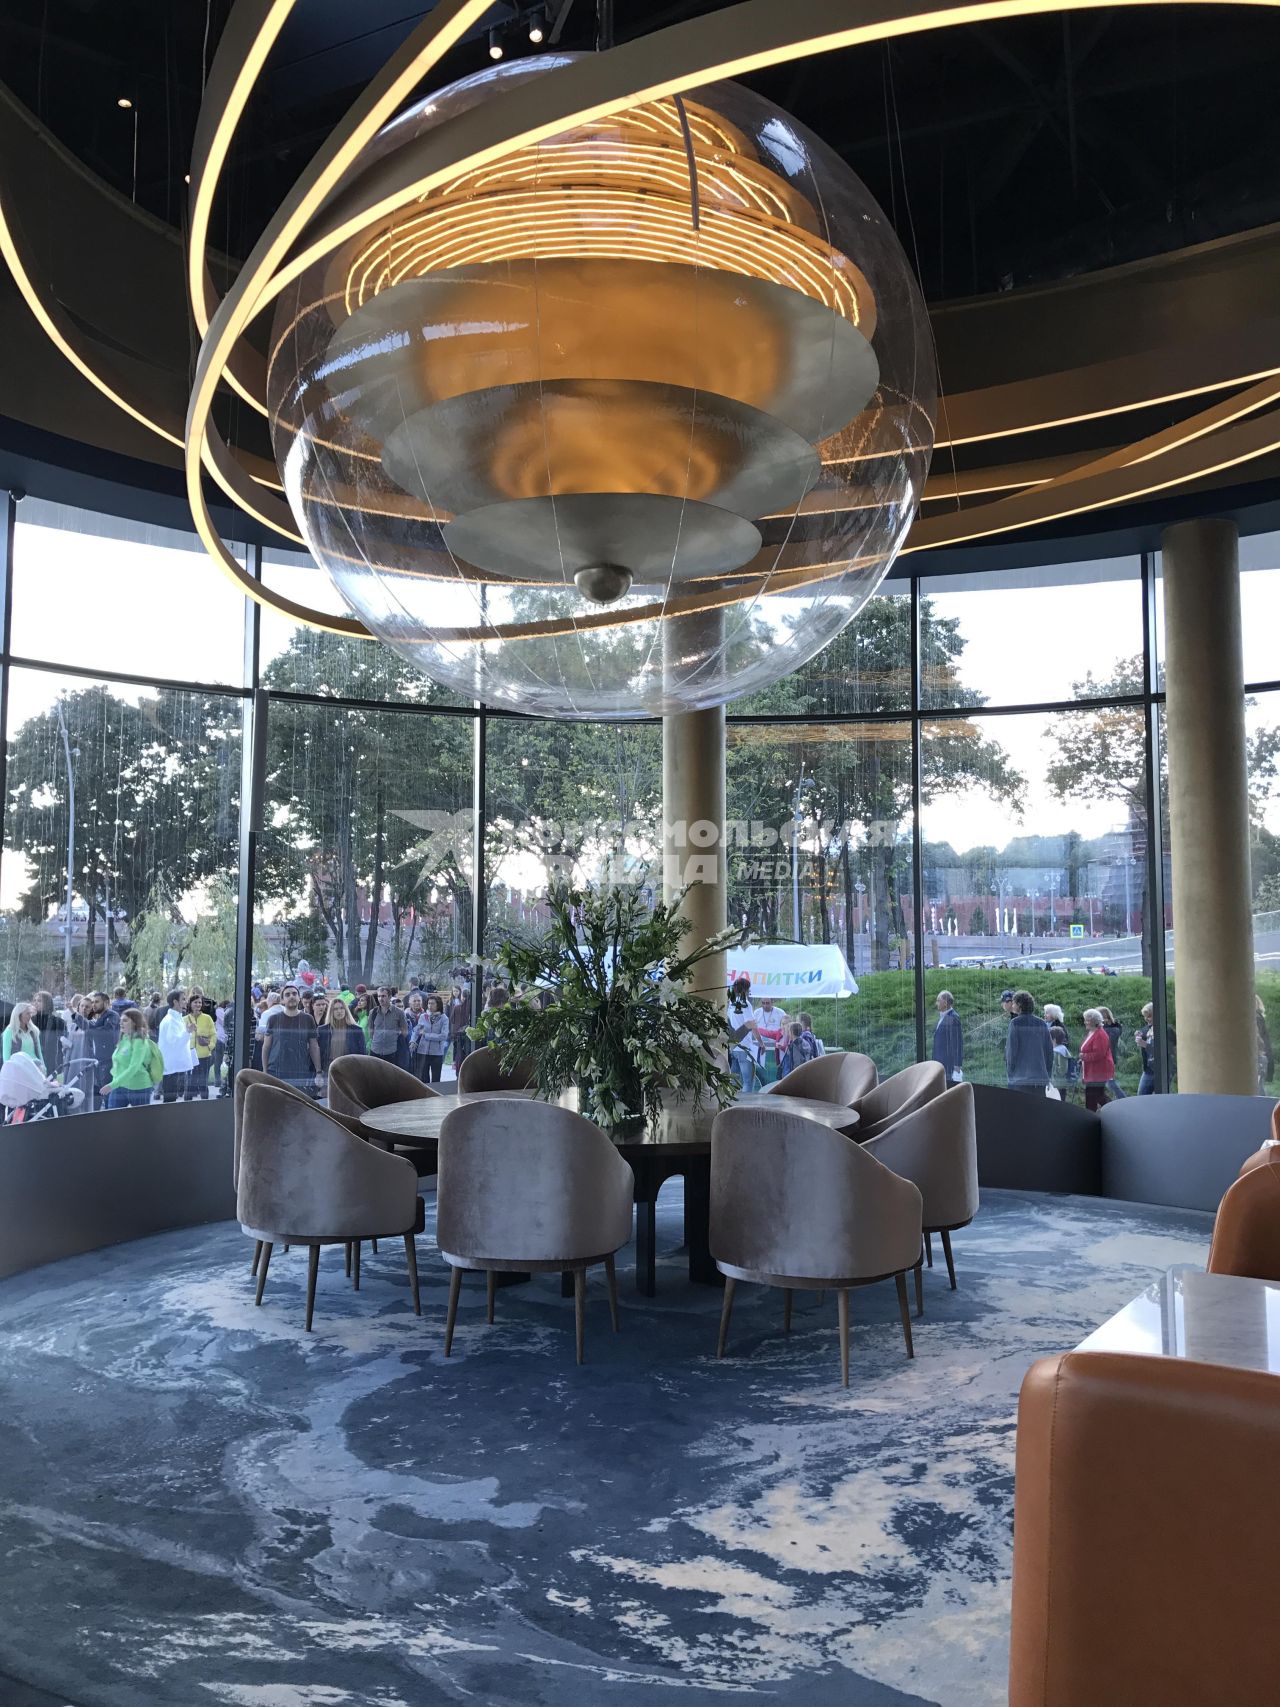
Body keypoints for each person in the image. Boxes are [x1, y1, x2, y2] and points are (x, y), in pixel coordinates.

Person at [261, 983, 321, 1093]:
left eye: (294, 994)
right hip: (276, 1071)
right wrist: (265, 1072)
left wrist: (318, 1072)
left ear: (299, 998)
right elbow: (266, 1047)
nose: (291, 996)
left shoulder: (308, 1019)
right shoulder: (273, 1019)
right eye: (287, 995)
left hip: (300, 1071)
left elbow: (314, 1046)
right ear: (282, 1000)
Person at [102, 1008, 163, 1109]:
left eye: (125, 1020)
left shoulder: (140, 1041)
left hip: (139, 1088)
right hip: (119, 1086)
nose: (121, 1023)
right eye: (120, 1020)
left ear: (135, 1023)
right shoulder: (123, 1038)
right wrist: (115, 1083)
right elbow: (119, 1065)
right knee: (112, 1117)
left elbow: (134, 1067)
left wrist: (112, 1085)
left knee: (140, 1119)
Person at [1006, 990, 1053, 1094]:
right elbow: (1049, 1052)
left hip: (1021, 1080)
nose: (1012, 1006)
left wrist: (1010, 1076)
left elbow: (1011, 1053)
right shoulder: (1042, 1023)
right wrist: (1047, 1075)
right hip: (1040, 1079)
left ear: (1019, 1005)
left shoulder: (1015, 1023)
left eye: (1014, 1003)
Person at [80, 991, 120, 1112]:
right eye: (93, 1002)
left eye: (97, 1002)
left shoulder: (112, 1016)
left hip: (108, 1061)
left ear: (106, 1002)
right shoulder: (99, 1017)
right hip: (99, 1061)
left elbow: (104, 1032)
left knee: (108, 1095)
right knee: (99, 1093)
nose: (94, 1005)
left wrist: (88, 1027)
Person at [315, 996, 365, 1089]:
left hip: (349, 1070)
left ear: (346, 1010)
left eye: (342, 1008)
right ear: (331, 1012)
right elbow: (317, 1053)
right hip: (328, 1070)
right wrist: (318, 1073)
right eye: (335, 1009)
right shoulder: (322, 1030)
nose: (339, 1011)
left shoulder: (356, 1030)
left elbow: (362, 1054)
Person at [157, 990, 197, 1103]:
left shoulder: (177, 1018)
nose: (186, 1002)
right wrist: (188, 1032)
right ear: (175, 1002)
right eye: (183, 999)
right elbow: (175, 1043)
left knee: (172, 1102)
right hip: (172, 1068)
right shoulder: (170, 1021)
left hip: (176, 1067)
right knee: (170, 1102)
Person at [726, 976, 759, 1092]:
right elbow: (751, 1024)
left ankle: (732, 1099)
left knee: (734, 1080)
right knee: (748, 1081)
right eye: (748, 989)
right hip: (745, 1047)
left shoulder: (731, 1002)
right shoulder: (745, 1004)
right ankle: (747, 1101)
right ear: (745, 989)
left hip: (733, 1047)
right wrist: (760, 1042)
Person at [1079, 1008, 1115, 1111]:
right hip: (1093, 1071)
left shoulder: (1100, 1034)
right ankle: (1095, 1114)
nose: (1085, 1022)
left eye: (1087, 1020)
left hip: (1098, 1071)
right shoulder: (1092, 1032)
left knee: (1095, 1096)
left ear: (1094, 1021)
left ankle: (1113, 1110)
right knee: (1095, 1096)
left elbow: (1099, 1054)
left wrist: (1084, 1057)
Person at [185, 990, 217, 1100]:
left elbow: (213, 1034)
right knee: (190, 1083)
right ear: (190, 1004)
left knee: (203, 1083)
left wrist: (210, 1046)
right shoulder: (184, 1019)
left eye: (200, 1002)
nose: (198, 1004)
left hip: (204, 1055)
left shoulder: (207, 1018)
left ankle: (205, 1104)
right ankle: (187, 1104)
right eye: (195, 1002)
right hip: (190, 1056)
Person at [411, 994, 450, 1084]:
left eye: (432, 1003)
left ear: (438, 1005)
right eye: (429, 1003)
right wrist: (412, 1041)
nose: (430, 1006)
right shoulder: (423, 1016)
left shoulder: (444, 1018)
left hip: (437, 1053)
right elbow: (417, 1031)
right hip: (422, 1051)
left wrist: (426, 1035)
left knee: (436, 1079)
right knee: (424, 1079)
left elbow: (443, 1036)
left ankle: (435, 1093)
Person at [368, 985, 409, 1068]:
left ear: (390, 997)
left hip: (392, 1052)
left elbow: (405, 1032)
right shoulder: (373, 1012)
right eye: (379, 996)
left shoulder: (399, 1013)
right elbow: (371, 1030)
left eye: (383, 996)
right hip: (375, 1050)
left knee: (390, 1075)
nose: (380, 999)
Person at [30, 991, 67, 1084]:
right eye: (34, 1000)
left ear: (47, 1003)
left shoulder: (58, 1022)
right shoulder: (30, 1020)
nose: (36, 1003)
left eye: (39, 1001)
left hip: (51, 1061)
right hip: (34, 1059)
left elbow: (63, 1043)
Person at [752, 995, 788, 1084]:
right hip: (760, 1047)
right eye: (763, 1003)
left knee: (774, 1073)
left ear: (772, 1002)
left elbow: (785, 1029)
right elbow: (753, 1028)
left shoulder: (780, 1013)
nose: (765, 1005)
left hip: (775, 1048)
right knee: (761, 1071)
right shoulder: (756, 1013)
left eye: (767, 1003)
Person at [931, 990, 963, 1083]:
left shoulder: (953, 1018)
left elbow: (957, 1042)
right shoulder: (944, 1017)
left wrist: (957, 1065)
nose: (936, 1003)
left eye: (938, 1000)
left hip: (948, 1064)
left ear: (945, 1003)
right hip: (940, 1063)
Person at [3, 1002, 45, 1068]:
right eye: (27, 1013)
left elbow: (39, 1052)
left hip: (35, 1067)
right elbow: (6, 1056)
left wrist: (44, 1067)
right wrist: (8, 1071)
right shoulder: (9, 1031)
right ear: (19, 1015)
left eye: (30, 1013)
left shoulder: (33, 1030)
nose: (30, 1016)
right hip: (19, 1068)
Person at [1098, 1006, 1127, 1100]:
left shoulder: (1111, 1029)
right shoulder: (1112, 1028)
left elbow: (1106, 1043)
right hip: (1107, 1058)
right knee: (1105, 1084)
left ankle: (1122, 1099)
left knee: (1109, 1083)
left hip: (1107, 1059)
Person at [448, 985, 472, 1073]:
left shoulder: (457, 1007)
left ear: (462, 997)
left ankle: (457, 1066)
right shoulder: (472, 1007)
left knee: (458, 1050)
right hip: (468, 1032)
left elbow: (452, 1019)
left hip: (457, 1031)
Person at [1135, 1003, 1157, 1095]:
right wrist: (1138, 1035)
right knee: (1141, 1096)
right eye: (1145, 1016)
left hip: (1162, 1069)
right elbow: (1142, 1034)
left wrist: (1145, 1045)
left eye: (1149, 1016)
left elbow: (1165, 1050)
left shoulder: (1166, 1029)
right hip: (1148, 1069)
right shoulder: (1146, 1029)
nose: (1146, 1019)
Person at [1257, 994, 1274, 1094]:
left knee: (1258, 1090)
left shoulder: (1256, 1018)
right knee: (1259, 1089)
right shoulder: (1260, 1018)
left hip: (1259, 1056)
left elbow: (1259, 1040)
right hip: (1262, 1056)